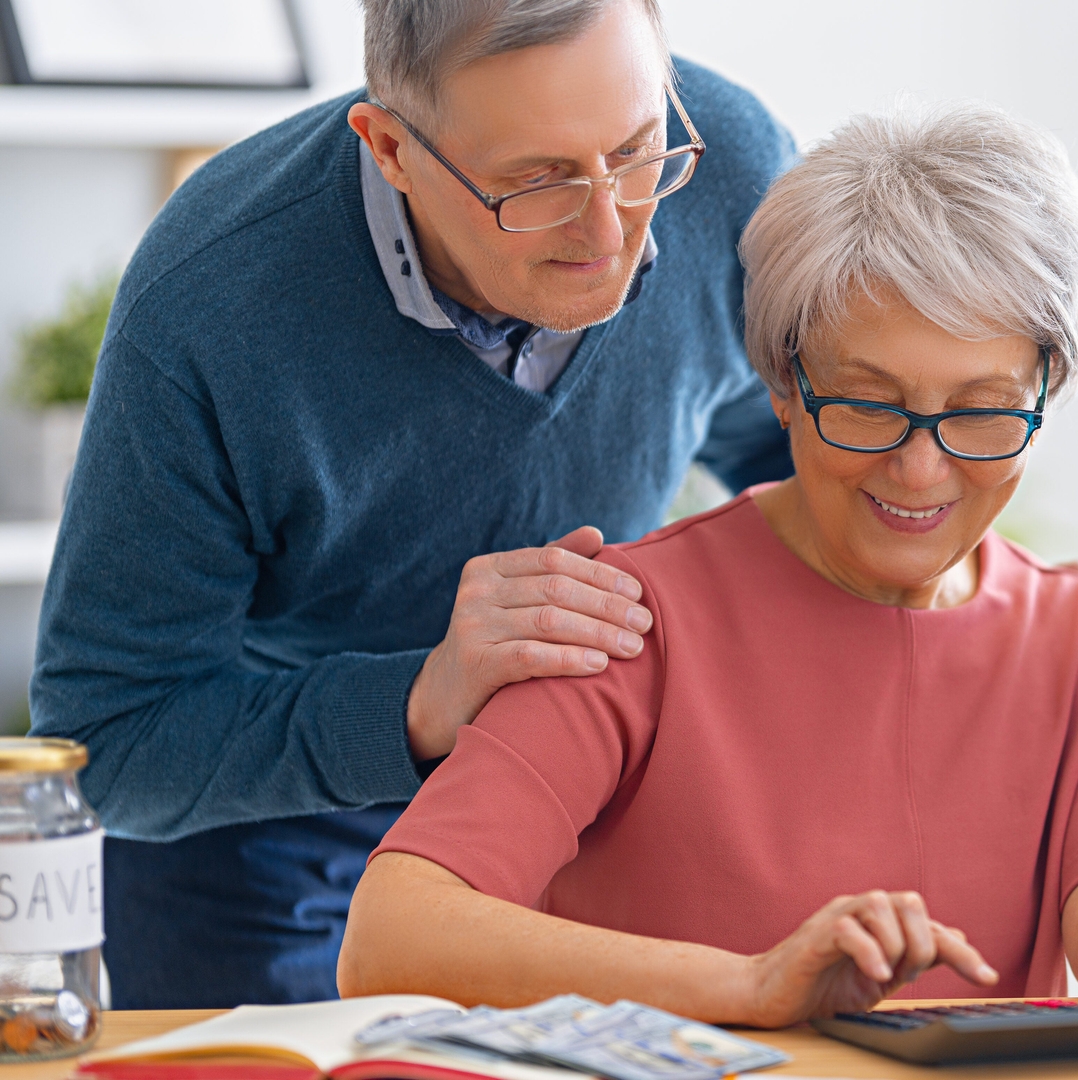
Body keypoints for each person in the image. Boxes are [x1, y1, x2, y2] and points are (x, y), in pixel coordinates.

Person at [338, 104, 1078, 1055]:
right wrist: (746, 986)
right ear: (784, 383)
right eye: (869, 405)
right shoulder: (631, 619)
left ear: (1048, 390)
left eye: (983, 411)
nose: (921, 472)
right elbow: (396, 931)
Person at [29, 0, 794, 1007]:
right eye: (536, 183)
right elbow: (112, 735)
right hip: (262, 864)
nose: (611, 231)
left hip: (578, 816)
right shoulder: (210, 301)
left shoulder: (734, 167)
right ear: (390, 147)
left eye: (637, 152)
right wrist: (418, 701)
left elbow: (783, 445)